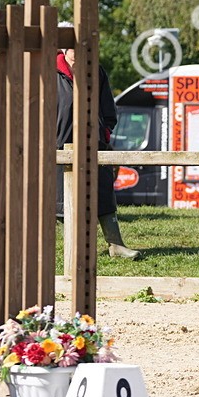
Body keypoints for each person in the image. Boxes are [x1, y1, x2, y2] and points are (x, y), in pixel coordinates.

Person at [56, 31, 141, 259]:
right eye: (73, 47)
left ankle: (115, 245)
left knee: (103, 193)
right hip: (58, 144)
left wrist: (104, 132)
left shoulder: (96, 71)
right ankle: (75, 248)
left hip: (94, 144)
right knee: (61, 199)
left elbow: (107, 107)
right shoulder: (49, 71)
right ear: (65, 50)